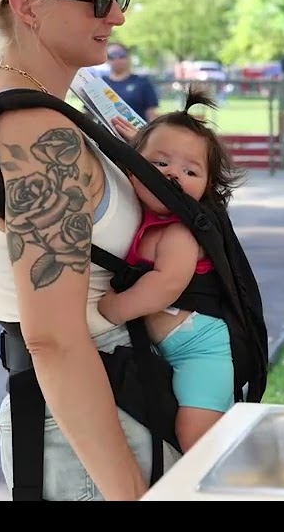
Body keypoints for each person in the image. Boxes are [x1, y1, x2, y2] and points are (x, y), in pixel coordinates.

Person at [0, 0, 174, 501]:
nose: (117, 15)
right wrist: (127, 490)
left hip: (99, 410)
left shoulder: (28, 107)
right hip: (93, 429)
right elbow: (53, 338)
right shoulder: (34, 132)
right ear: (28, 6)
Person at [96, 88, 245, 452]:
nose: (173, 175)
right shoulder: (147, 213)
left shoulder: (181, 232)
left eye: (190, 171)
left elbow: (166, 286)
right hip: (172, 346)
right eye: (160, 164)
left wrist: (115, 307)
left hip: (201, 351)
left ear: (207, 187)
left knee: (196, 436)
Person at [101, 43, 161, 122]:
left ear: (128, 57)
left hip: (136, 128)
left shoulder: (142, 82)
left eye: (121, 55)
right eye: (111, 57)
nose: (117, 59)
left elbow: (151, 114)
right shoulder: (101, 83)